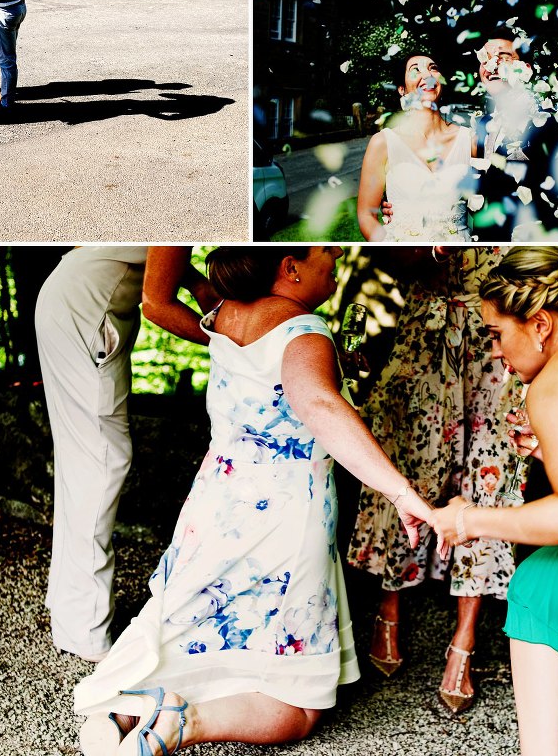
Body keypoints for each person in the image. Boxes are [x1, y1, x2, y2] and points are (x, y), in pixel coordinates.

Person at [73, 247, 439, 756]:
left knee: (196, 617)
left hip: (215, 505)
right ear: (289, 267)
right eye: (325, 250)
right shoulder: (305, 329)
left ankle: (123, 715)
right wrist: (400, 491)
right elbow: (318, 404)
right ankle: (186, 722)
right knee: (301, 704)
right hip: (287, 518)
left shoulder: (224, 314)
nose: (334, 256)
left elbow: (265, 369)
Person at [431, 246, 558, 755]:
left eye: (497, 335)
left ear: (540, 324)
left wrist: (468, 519)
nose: (495, 353)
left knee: (539, 586)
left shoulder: (557, 379)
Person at [346, 246, 526, 714]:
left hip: (500, 336)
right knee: (408, 465)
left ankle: (463, 638)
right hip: (427, 333)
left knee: (490, 478)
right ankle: (389, 606)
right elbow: (387, 253)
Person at [35, 247, 217, 664]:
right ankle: (87, 630)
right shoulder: (182, 195)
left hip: (72, 303)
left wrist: (196, 283)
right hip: (84, 314)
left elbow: (157, 255)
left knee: (84, 462)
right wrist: (235, 337)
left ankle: (71, 611)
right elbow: (157, 305)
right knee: (102, 461)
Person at [470, 36, 558, 241]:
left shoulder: (554, 123)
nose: (491, 65)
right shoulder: (482, 124)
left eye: (502, 57)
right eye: (485, 59)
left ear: (525, 68)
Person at [356, 51, 474, 242]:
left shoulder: (469, 140)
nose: (426, 75)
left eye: (433, 68)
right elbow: (366, 215)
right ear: (402, 89)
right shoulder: (383, 143)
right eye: (415, 70)